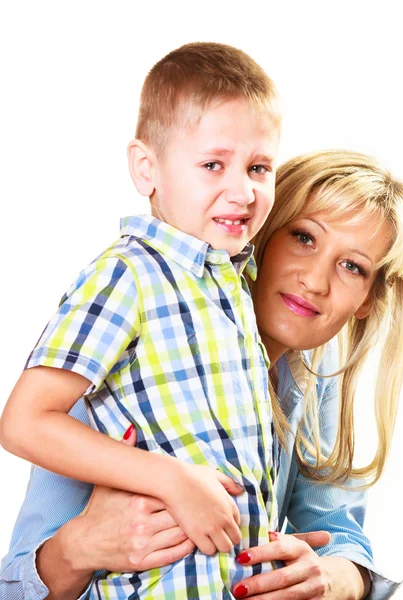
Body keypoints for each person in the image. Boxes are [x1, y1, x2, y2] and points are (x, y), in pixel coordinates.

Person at [0, 150, 403, 600]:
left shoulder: (314, 378)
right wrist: (79, 548)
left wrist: (336, 579)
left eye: (352, 266)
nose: (316, 281)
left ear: (367, 301)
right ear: (256, 230)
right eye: (303, 237)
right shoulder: (128, 359)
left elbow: (336, 529)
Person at [0, 42, 282, 600]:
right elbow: (25, 421)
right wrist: (168, 477)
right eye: (212, 165)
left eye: (258, 167)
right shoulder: (127, 275)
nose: (243, 191)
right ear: (146, 169)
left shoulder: (230, 286)